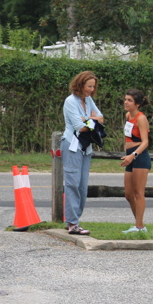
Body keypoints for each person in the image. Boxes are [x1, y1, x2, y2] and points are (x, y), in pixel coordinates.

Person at [61, 71, 104, 235]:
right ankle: (73, 223)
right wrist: (91, 120)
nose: (91, 90)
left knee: (82, 186)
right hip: (72, 145)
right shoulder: (70, 101)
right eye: (89, 86)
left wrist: (89, 120)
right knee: (72, 183)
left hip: (86, 147)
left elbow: (101, 118)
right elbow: (80, 127)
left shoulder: (88, 100)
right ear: (80, 85)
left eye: (93, 87)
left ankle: (73, 220)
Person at [119, 88, 151, 233]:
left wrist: (133, 155)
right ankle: (139, 224)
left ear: (137, 104)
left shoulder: (141, 118)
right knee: (128, 194)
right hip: (129, 156)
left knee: (139, 193)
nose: (126, 102)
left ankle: (139, 226)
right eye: (125, 99)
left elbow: (145, 142)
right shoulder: (128, 116)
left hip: (140, 157)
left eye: (130, 100)